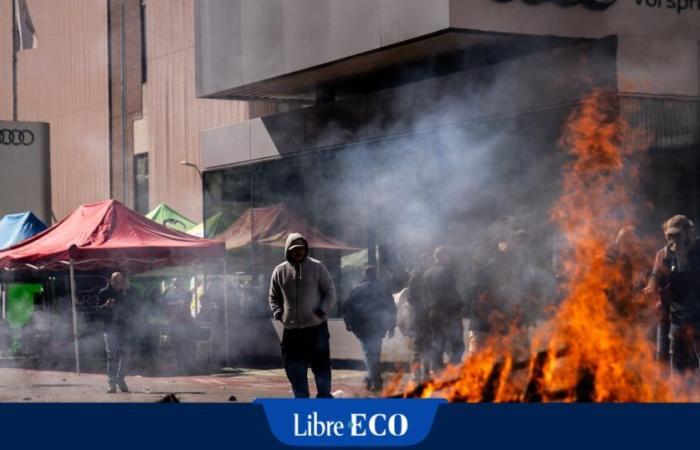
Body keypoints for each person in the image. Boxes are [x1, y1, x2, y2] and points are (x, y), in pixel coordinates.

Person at [269, 232, 337, 398]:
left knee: (321, 368)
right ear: (288, 251)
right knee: (293, 368)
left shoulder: (317, 267)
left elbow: (330, 292)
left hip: (316, 328)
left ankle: (324, 399)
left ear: (306, 249)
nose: (298, 252)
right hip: (292, 330)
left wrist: (322, 310)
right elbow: (273, 296)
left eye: (301, 248)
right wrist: (278, 312)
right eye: (294, 249)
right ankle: (302, 400)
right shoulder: (279, 271)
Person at [644, 215, 700, 373]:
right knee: (674, 356)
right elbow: (655, 276)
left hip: (697, 312)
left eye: (677, 234)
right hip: (674, 313)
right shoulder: (664, 254)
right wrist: (652, 284)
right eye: (670, 236)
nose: (674, 240)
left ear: (688, 232)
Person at [343, 265, 397, 391]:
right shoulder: (384, 289)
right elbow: (392, 308)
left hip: (362, 327)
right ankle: (371, 377)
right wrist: (392, 326)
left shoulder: (356, 290)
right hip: (378, 326)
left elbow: (346, 308)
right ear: (375, 274)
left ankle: (374, 379)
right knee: (374, 353)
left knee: (368, 352)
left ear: (365, 274)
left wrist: (348, 323)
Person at [424, 246, 465, 368]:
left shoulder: (427, 273)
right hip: (448, 313)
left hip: (433, 313)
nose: (450, 259)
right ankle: (453, 368)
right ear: (442, 256)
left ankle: (437, 370)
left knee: (438, 343)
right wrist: (460, 303)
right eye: (448, 256)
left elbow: (425, 296)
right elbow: (450, 292)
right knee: (458, 345)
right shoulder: (445, 272)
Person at [97, 272, 133, 393]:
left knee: (126, 354)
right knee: (112, 357)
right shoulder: (103, 292)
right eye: (120, 281)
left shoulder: (124, 293)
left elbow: (130, 309)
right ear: (113, 281)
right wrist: (106, 306)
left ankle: (120, 378)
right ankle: (111, 384)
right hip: (109, 328)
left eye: (123, 281)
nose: (122, 283)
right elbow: (96, 312)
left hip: (123, 328)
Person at [406, 252, 434, 382]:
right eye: (427, 261)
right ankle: (416, 374)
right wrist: (423, 308)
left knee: (428, 347)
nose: (429, 263)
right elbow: (410, 298)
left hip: (429, 318)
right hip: (419, 318)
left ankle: (426, 373)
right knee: (418, 348)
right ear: (422, 262)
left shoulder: (431, 276)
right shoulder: (416, 277)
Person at [164, 277, 195, 373]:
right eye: (176, 284)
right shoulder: (169, 294)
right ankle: (178, 366)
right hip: (174, 322)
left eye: (179, 284)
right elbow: (166, 304)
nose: (178, 286)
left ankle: (186, 365)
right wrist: (177, 302)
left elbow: (187, 302)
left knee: (186, 344)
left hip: (185, 322)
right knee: (176, 345)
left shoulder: (187, 293)